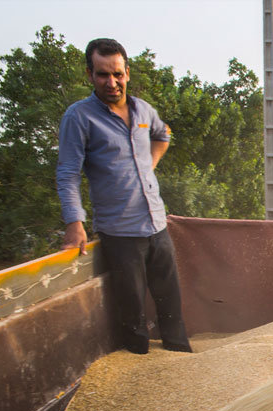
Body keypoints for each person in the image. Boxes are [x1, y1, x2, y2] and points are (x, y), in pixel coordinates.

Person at [56, 38, 192, 354]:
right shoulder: (79, 117)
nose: (112, 82)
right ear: (90, 75)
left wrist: (149, 164)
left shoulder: (142, 110)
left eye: (117, 73)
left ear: (127, 72)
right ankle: (138, 360)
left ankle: (180, 355)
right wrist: (74, 222)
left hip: (157, 223)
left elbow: (163, 134)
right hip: (120, 232)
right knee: (132, 311)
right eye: (103, 74)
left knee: (170, 301)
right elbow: (67, 173)